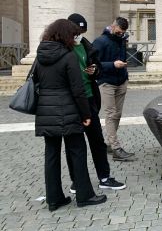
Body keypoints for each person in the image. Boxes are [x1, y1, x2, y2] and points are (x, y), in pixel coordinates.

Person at [34, 19, 107, 211]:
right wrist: (86, 114)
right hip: (68, 110)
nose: (76, 38)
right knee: (77, 151)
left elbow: (35, 82)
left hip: (46, 112)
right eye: (74, 35)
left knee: (51, 155)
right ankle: (85, 195)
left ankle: (54, 199)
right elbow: (77, 89)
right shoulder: (68, 57)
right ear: (67, 35)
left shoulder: (40, 55)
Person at [67, 14, 126, 192]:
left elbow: (97, 66)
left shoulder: (85, 45)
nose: (79, 35)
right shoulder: (63, 48)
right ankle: (77, 181)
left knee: (98, 141)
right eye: (77, 31)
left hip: (89, 98)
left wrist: (95, 70)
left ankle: (104, 177)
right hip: (71, 102)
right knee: (75, 145)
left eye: (82, 31)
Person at [93, 17, 135, 161]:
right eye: (118, 32)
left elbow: (121, 58)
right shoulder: (100, 41)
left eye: (123, 33)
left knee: (117, 114)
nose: (120, 34)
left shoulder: (122, 40)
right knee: (111, 114)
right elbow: (92, 64)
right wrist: (112, 65)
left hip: (121, 81)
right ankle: (116, 148)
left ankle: (111, 144)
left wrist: (124, 68)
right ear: (112, 26)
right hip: (106, 82)